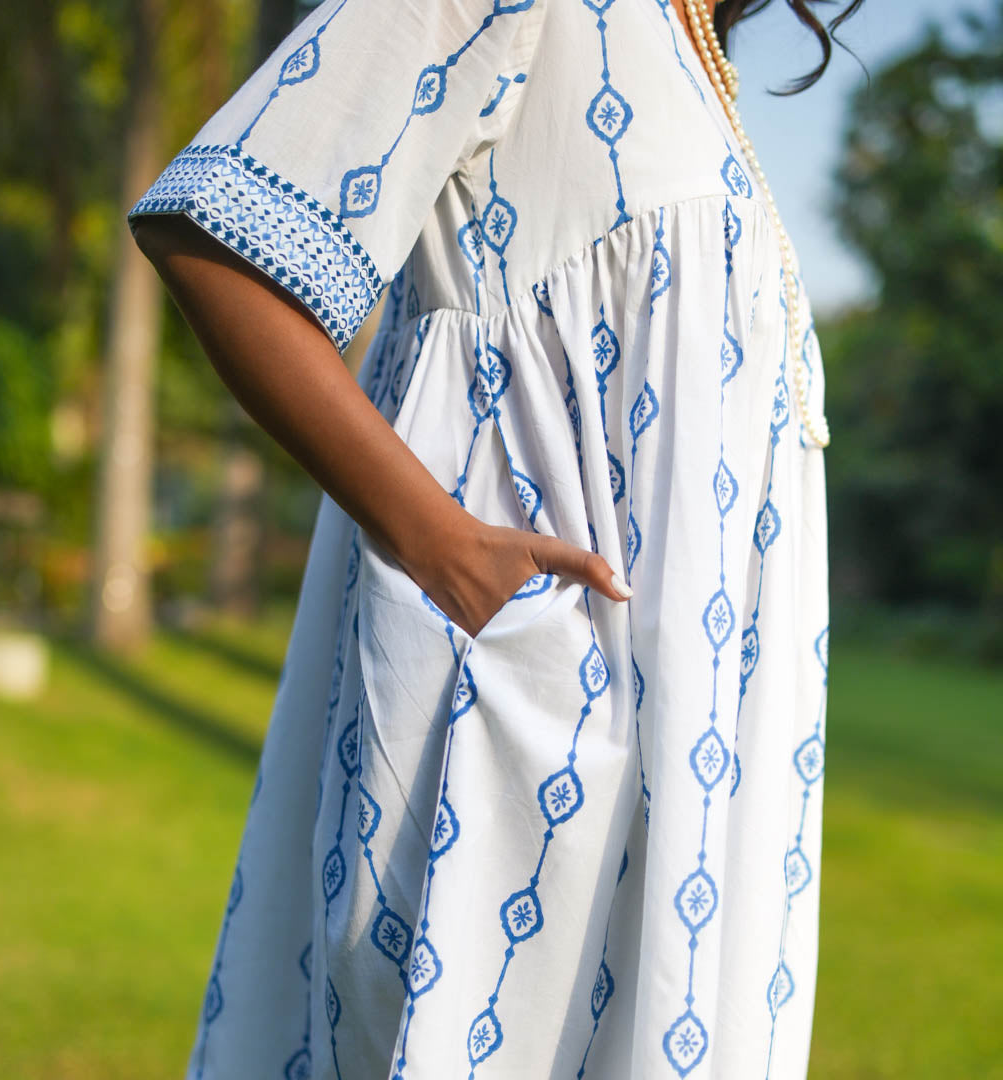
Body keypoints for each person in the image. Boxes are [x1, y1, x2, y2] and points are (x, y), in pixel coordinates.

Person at [128, 0, 860, 1076]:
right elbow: (215, 235)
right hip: (512, 750)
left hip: (702, 778)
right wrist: (446, 548)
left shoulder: (692, 57)